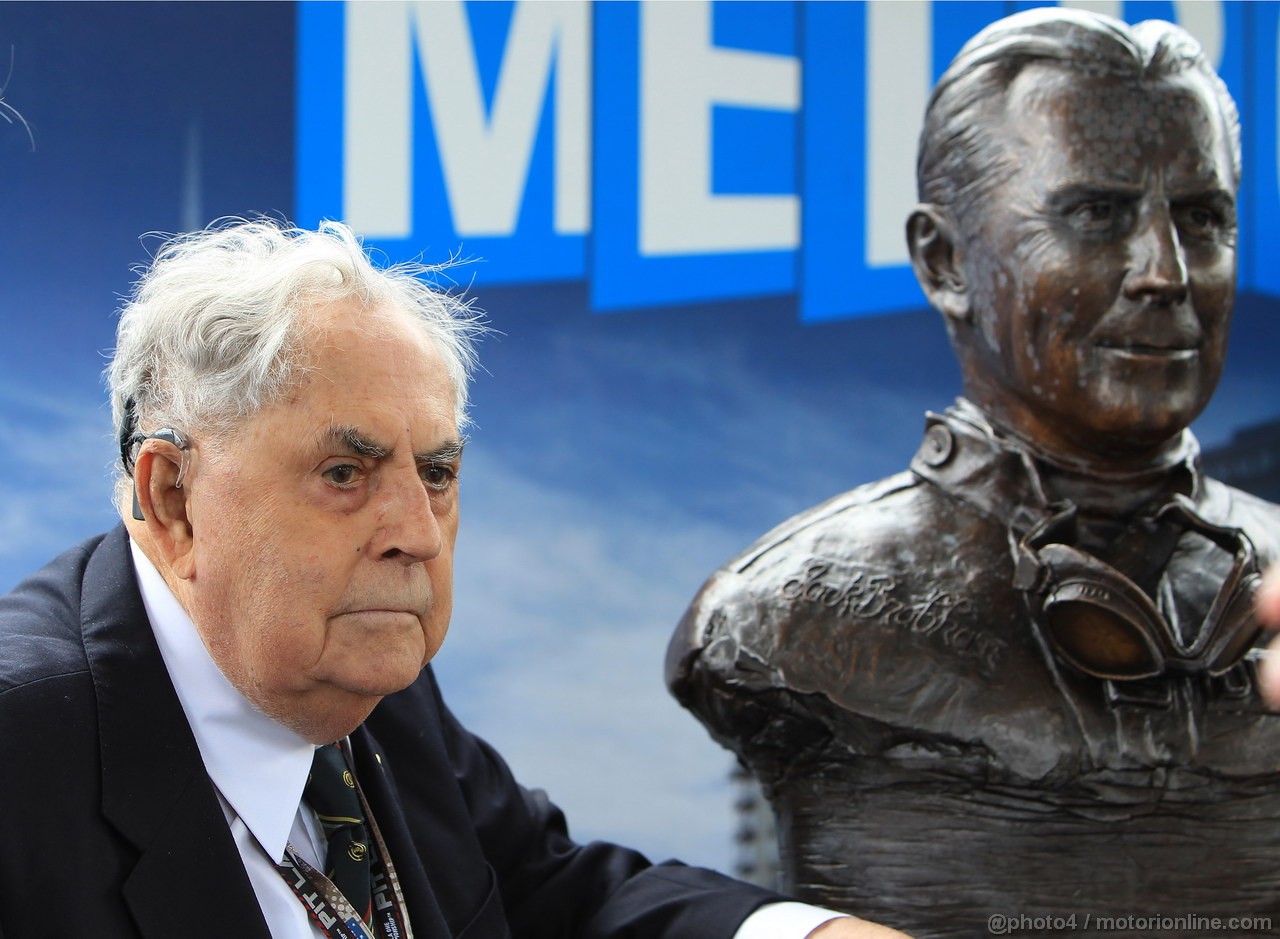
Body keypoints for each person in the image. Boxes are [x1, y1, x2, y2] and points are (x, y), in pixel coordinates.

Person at [0, 219, 909, 938]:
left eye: (435, 472)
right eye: (345, 474)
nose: (418, 532)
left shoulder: (365, 673)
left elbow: (549, 890)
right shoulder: (22, 758)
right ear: (175, 499)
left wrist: (806, 932)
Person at [668, 9, 1280, 938]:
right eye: (1098, 214)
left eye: (1202, 219)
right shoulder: (782, 612)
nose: (1167, 271)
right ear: (945, 260)